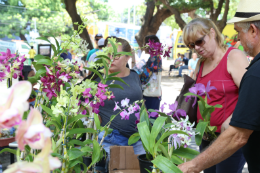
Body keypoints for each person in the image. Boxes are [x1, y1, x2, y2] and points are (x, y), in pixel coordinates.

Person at [179, 17, 249, 173]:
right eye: (191, 45)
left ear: (212, 33)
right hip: (206, 138)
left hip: (230, 139)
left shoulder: (234, 56)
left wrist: (233, 118)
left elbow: (251, 97)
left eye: (199, 41)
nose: (196, 48)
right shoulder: (200, 63)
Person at [92, 38, 145, 172]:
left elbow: (141, 102)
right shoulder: (99, 79)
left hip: (138, 138)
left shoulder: (134, 76)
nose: (111, 58)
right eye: (108, 54)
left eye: (116, 55)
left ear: (128, 57)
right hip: (111, 141)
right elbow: (91, 110)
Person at [139, 35, 162, 110]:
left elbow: (145, 77)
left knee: (149, 118)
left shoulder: (153, 58)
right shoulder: (157, 57)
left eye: (144, 44)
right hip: (155, 94)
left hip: (150, 95)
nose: (143, 46)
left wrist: (138, 75)